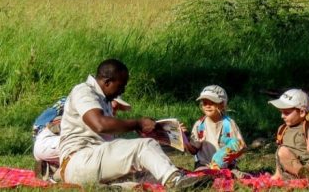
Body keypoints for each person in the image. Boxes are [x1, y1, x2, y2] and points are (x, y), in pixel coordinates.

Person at [58, 59, 211, 190]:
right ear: (107, 82)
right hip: (79, 161)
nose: (122, 90)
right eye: (121, 86)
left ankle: (115, 187)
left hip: (93, 163)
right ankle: (175, 181)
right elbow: (99, 124)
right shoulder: (84, 91)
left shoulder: (104, 100)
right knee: (144, 146)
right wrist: (137, 123)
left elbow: (109, 139)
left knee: (150, 173)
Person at [32, 96, 131, 180]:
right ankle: (58, 173)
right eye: (114, 105)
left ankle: (54, 168)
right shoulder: (85, 106)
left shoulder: (98, 113)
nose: (115, 109)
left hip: (56, 144)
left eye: (117, 108)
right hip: (49, 142)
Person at [268, 89, 309, 180]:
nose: (282, 116)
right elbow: (279, 157)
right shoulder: (282, 129)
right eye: (281, 112)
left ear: (302, 112)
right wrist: (277, 174)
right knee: (281, 151)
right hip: (294, 167)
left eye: (286, 113)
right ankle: (302, 174)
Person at [185, 85, 246, 173]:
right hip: (204, 164)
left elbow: (241, 146)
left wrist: (233, 155)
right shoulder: (199, 125)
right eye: (205, 103)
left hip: (227, 165)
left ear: (221, 105)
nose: (207, 106)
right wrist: (184, 139)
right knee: (202, 176)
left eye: (211, 103)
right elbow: (193, 150)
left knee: (234, 175)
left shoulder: (229, 124)